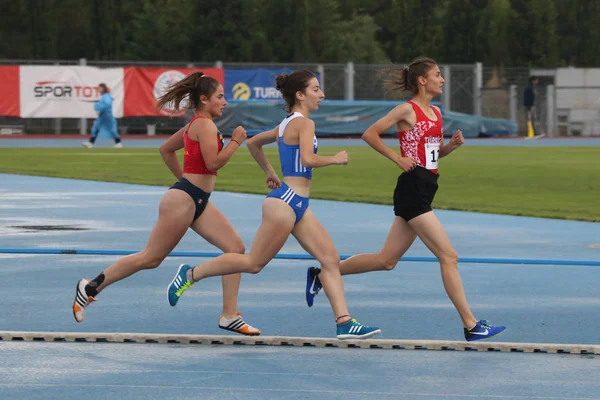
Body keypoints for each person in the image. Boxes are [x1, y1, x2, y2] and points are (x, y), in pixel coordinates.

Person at [167, 70, 381, 340]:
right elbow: (307, 159)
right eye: (316, 89)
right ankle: (191, 274)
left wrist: (269, 171)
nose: (322, 95)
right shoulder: (304, 124)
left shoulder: (285, 124)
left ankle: (344, 322)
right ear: (300, 95)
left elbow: (255, 143)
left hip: (295, 203)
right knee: (254, 263)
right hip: (286, 203)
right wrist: (335, 159)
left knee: (330, 260)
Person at [305, 57, 506, 342]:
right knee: (448, 256)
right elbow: (369, 134)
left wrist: (449, 147)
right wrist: (396, 158)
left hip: (426, 185)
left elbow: (431, 155)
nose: (443, 80)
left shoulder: (436, 112)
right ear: (422, 80)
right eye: (438, 75)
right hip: (412, 190)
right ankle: (471, 325)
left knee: (386, 260)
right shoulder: (406, 110)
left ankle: (323, 273)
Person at [73, 72, 260, 336]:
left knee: (235, 249)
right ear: (204, 99)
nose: (225, 102)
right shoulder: (204, 125)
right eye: (220, 96)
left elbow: (166, 150)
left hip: (196, 199)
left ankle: (229, 315)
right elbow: (214, 163)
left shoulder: (197, 124)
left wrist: (187, 182)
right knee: (151, 258)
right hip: (183, 200)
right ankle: (90, 287)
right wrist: (236, 142)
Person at [82, 83, 123, 148]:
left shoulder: (106, 96)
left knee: (112, 130)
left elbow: (107, 104)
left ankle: (118, 143)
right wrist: (99, 109)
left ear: (103, 88)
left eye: (99, 88)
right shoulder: (104, 96)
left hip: (107, 116)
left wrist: (99, 108)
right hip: (102, 116)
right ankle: (90, 143)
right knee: (95, 128)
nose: (98, 89)